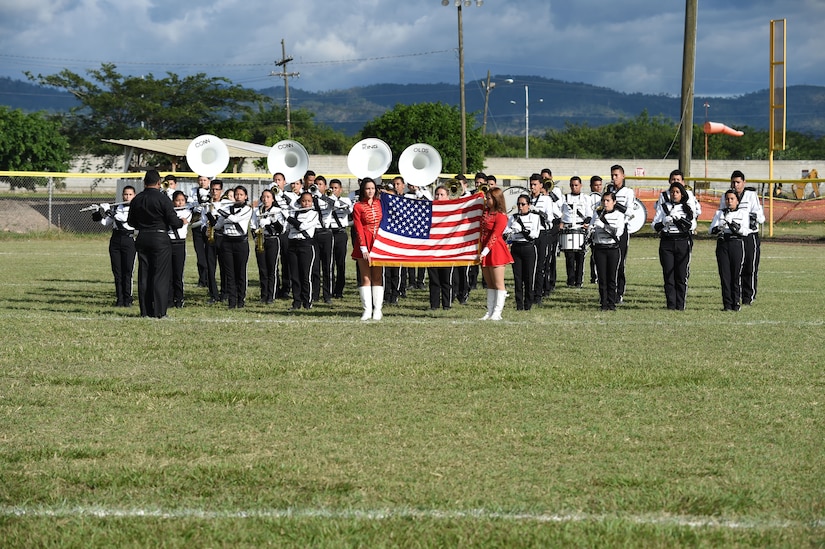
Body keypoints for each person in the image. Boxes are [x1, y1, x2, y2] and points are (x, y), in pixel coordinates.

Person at [127, 169, 185, 318]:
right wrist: (181, 222)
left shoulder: (137, 199)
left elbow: (130, 222)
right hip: (160, 238)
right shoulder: (163, 198)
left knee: (144, 275)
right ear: (159, 182)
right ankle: (160, 311)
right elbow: (173, 220)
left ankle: (145, 311)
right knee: (160, 276)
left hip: (142, 237)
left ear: (144, 182)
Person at [722, 170, 765, 305]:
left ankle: (748, 296)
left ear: (744, 183)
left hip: (749, 236)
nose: (736, 185)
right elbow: (722, 213)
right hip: (733, 237)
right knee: (735, 267)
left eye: (738, 182)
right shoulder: (728, 196)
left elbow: (760, 216)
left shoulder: (751, 195)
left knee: (750, 266)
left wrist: (749, 218)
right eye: (733, 182)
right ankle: (736, 295)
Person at [652, 181, 695, 311]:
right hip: (667, 242)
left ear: (682, 194)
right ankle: (671, 304)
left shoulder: (687, 208)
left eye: (677, 192)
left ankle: (680, 304)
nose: (674, 194)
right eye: (672, 192)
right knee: (668, 274)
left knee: (681, 275)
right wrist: (663, 223)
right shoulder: (664, 207)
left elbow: (692, 226)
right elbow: (654, 225)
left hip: (682, 242)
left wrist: (678, 219)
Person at [92, 185, 136, 307]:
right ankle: (119, 299)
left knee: (128, 271)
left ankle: (128, 299)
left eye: (130, 194)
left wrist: (109, 211)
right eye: (125, 194)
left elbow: (124, 220)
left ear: (134, 196)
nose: (127, 197)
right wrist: (96, 212)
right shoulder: (117, 207)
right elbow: (106, 222)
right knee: (117, 272)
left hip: (129, 239)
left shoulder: (136, 208)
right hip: (116, 240)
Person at [710, 189, 751, 311]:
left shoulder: (742, 213)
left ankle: (736, 303)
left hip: (736, 243)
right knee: (725, 275)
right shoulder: (720, 213)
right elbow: (710, 230)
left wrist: (735, 227)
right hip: (723, 244)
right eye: (727, 199)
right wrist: (718, 227)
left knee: (735, 275)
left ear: (737, 201)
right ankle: (727, 304)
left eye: (732, 199)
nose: (729, 201)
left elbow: (745, 231)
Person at [212, 185, 253, 309]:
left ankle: (241, 299)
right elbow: (218, 226)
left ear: (245, 197)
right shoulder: (227, 208)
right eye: (236, 194)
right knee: (229, 273)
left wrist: (220, 211)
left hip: (240, 242)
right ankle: (232, 300)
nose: (238, 197)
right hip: (227, 242)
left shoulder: (247, 209)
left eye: (241, 194)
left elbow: (235, 219)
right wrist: (209, 214)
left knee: (240, 272)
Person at [478, 187, 514, 321]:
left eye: (489, 198)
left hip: (496, 250)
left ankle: (497, 313)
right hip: (484, 249)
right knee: (490, 283)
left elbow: (495, 235)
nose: (487, 200)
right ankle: (490, 311)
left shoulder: (501, 216)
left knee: (498, 283)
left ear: (496, 199)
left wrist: (485, 251)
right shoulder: (485, 212)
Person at [352, 177, 384, 320]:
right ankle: (367, 309)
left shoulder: (381, 203)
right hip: (364, 242)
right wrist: (364, 248)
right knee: (366, 278)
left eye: (372, 188)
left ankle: (378, 309)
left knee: (377, 277)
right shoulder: (358, 206)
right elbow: (358, 228)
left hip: (379, 243)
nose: (370, 191)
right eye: (367, 188)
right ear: (363, 190)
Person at [590, 191, 625, 311]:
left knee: (612, 277)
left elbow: (618, 232)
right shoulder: (597, 213)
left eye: (608, 201)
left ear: (614, 202)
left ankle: (612, 302)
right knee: (602, 277)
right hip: (599, 248)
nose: (605, 203)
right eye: (603, 200)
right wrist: (590, 230)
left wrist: (603, 226)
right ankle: (603, 303)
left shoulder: (619, 215)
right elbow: (591, 228)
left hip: (612, 248)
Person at [286, 191, 321, 311]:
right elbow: (286, 229)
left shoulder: (314, 214)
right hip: (292, 245)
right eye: (304, 201)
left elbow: (302, 226)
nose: (306, 203)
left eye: (309, 201)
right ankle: (296, 302)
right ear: (300, 202)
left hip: (306, 245)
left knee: (305, 276)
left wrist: (288, 217)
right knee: (294, 276)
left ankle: (307, 301)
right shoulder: (294, 213)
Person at [507, 194, 541, 310]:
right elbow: (506, 233)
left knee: (529, 277)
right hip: (516, 248)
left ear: (529, 205)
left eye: (523, 204)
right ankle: (519, 304)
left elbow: (534, 235)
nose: (520, 207)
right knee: (517, 278)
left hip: (529, 248)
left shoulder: (535, 217)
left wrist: (521, 230)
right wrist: (511, 232)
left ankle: (528, 304)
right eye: (518, 204)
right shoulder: (513, 218)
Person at [251, 189, 285, 304]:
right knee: (262, 269)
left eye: (268, 197)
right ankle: (263, 295)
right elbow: (252, 225)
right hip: (261, 239)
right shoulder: (257, 211)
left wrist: (271, 222)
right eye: (264, 197)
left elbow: (281, 229)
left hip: (272, 239)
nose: (265, 199)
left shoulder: (277, 211)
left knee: (272, 269)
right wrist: (255, 237)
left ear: (273, 199)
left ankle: (272, 295)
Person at [527, 173, 556, 306]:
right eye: (531, 184)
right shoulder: (527, 199)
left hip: (542, 234)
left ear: (540, 186)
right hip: (528, 234)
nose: (532, 187)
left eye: (535, 185)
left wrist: (537, 211)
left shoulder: (546, 200)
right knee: (529, 266)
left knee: (540, 266)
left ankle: (538, 295)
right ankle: (528, 293)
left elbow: (549, 219)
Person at [560, 176, 593, 288]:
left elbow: (590, 214)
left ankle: (579, 281)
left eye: (576, 185)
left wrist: (587, 223)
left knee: (580, 257)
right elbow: (559, 213)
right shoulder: (564, 198)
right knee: (569, 257)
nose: (574, 187)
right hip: (568, 229)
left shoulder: (586, 198)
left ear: (580, 185)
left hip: (580, 229)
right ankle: (570, 280)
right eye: (572, 185)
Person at [610, 164, 636, 303]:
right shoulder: (609, 190)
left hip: (621, 230)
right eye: (612, 175)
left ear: (623, 176)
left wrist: (616, 205)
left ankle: (619, 292)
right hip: (608, 229)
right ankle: (608, 292)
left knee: (619, 262)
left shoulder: (628, 192)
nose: (614, 178)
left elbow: (630, 212)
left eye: (616, 175)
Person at [427, 186, 455, 311]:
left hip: (447, 251)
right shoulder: (429, 210)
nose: (439, 197)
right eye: (437, 194)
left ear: (447, 196)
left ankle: (447, 304)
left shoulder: (453, 210)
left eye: (442, 194)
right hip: (432, 250)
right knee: (434, 279)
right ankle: (434, 305)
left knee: (446, 279)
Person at [328, 179, 353, 298]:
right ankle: (330, 289)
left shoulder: (345, 200)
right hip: (329, 232)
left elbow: (349, 210)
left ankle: (339, 290)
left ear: (340, 189)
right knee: (329, 263)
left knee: (340, 263)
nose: (333, 190)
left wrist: (336, 202)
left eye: (335, 188)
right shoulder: (326, 200)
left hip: (340, 233)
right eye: (331, 188)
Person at [168, 190, 192, 309]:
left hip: (179, 243)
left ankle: (179, 298)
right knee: (168, 273)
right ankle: (169, 299)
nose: (180, 203)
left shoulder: (187, 212)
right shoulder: (169, 212)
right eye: (177, 200)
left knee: (178, 273)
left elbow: (179, 222)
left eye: (182, 200)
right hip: (168, 243)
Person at [189, 175, 211, 288]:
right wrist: (194, 208)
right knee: (200, 254)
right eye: (200, 180)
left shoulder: (212, 191)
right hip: (197, 225)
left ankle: (209, 278)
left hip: (208, 225)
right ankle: (202, 279)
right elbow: (189, 205)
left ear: (209, 181)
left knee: (209, 254)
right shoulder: (193, 191)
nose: (202, 182)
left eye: (204, 180)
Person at [588, 175, 603, 284]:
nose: (598, 187)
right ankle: (594, 276)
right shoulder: (589, 198)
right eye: (596, 185)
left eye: (600, 185)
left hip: (602, 227)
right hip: (594, 227)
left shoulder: (604, 197)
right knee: (594, 253)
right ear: (591, 186)